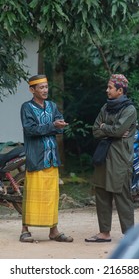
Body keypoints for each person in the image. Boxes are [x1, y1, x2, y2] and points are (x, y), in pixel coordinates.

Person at [19, 74, 73, 243]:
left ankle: (54, 231)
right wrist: (53, 126)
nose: (44, 90)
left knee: (51, 195)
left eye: (46, 87)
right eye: (41, 87)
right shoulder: (26, 107)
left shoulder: (52, 106)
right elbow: (30, 130)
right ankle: (24, 230)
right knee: (32, 194)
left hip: (51, 158)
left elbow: (59, 125)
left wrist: (59, 126)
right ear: (32, 89)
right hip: (36, 157)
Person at [85, 74, 137, 242]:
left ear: (120, 91)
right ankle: (104, 233)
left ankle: (130, 235)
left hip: (120, 159)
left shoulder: (130, 110)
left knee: (122, 197)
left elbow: (117, 130)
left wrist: (106, 128)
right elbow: (95, 130)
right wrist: (112, 130)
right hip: (103, 157)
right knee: (101, 195)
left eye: (110, 88)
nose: (107, 90)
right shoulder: (105, 108)